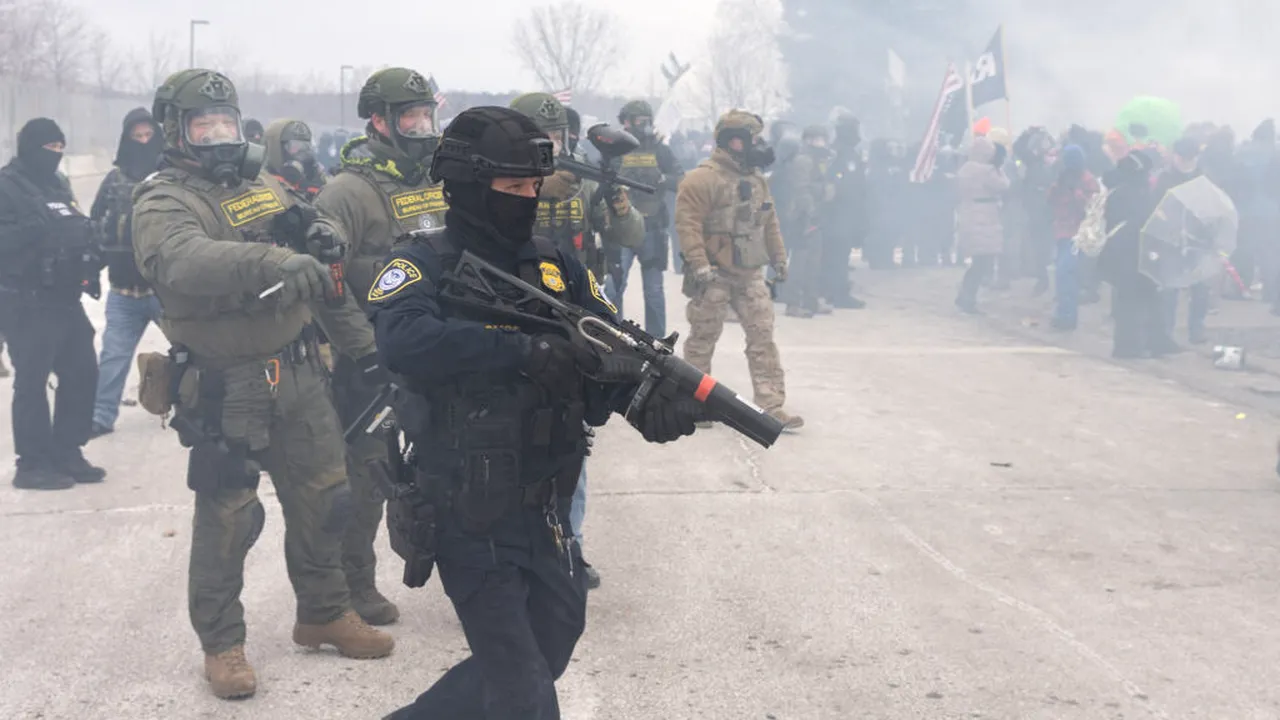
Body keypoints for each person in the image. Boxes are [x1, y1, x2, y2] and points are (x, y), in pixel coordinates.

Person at [371, 105, 701, 719]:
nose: (528, 198)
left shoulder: (554, 263)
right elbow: (401, 339)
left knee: (549, 643)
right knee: (524, 693)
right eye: (512, 187)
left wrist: (641, 401)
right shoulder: (423, 261)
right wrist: (519, 350)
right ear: (470, 186)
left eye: (533, 185)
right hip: (467, 506)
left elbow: (603, 349)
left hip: (546, 506)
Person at [131, 69, 394, 700]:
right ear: (177, 131)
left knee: (328, 499)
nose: (220, 136)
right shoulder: (162, 198)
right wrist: (275, 260)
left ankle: (323, 611)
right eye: (204, 126)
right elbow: (183, 259)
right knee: (229, 519)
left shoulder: (258, 182)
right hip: (229, 386)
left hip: (300, 373)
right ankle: (223, 645)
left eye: (227, 123)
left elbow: (297, 219)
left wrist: (314, 231)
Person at [314, 67, 446, 626]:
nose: (421, 127)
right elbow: (327, 281)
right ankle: (354, 584)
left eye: (426, 115)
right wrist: (367, 350)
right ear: (378, 121)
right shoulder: (348, 192)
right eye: (410, 117)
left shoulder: (433, 182)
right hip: (372, 359)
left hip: (434, 347)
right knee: (369, 475)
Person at [510, 91, 645, 591]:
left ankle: (569, 547)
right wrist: (541, 190)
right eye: (541, 138)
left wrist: (616, 200)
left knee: (571, 444)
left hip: (574, 329)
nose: (553, 146)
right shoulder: (501, 186)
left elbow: (631, 235)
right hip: (512, 324)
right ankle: (510, 558)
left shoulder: (581, 186)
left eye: (559, 137)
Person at [677, 109, 803, 432]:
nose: (758, 145)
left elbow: (769, 222)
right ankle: (694, 401)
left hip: (750, 273)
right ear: (733, 141)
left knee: (762, 337)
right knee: (703, 339)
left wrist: (779, 258)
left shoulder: (757, 180)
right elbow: (688, 226)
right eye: (752, 139)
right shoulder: (702, 179)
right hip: (714, 274)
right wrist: (700, 265)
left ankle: (771, 405)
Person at [0, 117, 103, 490]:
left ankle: (66, 451)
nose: (55, 156)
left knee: (82, 372)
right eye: (49, 149)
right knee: (32, 380)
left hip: (64, 297)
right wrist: (34, 227)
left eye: (61, 149)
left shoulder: (58, 184)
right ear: (29, 148)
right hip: (24, 300)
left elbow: (73, 226)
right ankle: (32, 463)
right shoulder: (6, 185)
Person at [87, 108, 165, 439]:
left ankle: (202, 410)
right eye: (137, 137)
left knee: (198, 351)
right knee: (113, 357)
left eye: (149, 136)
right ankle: (101, 417)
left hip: (166, 290)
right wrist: (90, 268)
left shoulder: (170, 177)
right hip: (123, 292)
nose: (144, 142)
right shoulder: (114, 180)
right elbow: (94, 225)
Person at [613, 99, 684, 338]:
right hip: (620, 229)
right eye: (638, 121)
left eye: (646, 121)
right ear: (626, 123)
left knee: (653, 291)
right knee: (613, 288)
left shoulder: (660, 150)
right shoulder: (615, 150)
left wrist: (664, 180)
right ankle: (613, 336)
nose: (643, 125)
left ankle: (656, 344)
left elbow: (680, 178)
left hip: (651, 228)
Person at [1098, 150, 1175, 358]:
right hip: (1134, 252)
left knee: (1136, 298)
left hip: (1122, 254)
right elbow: (1144, 221)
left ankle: (1150, 341)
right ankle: (1131, 346)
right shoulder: (1134, 193)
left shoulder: (1117, 191)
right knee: (1136, 299)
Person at [1154, 137, 1209, 342]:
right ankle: (1166, 331)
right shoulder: (1164, 179)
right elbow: (1156, 208)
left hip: (1198, 240)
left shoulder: (1203, 179)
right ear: (1175, 156)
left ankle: (1197, 328)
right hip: (1171, 240)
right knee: (1170, 287)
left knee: (1201, 286)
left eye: (1190, 158)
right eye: (1183, 158)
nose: (1186, 162)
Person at [775, 125, 832, 318]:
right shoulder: (804, 160)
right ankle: (793, 303)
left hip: (815, 215)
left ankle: (811, 299)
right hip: (802, 217)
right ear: (809, 140)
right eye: (819, 139)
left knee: (814, 261)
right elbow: (801, 190)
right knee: (800, 261)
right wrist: (811, 210)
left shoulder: (818, 159)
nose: (822, 142)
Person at [954, 137, 1011, 314]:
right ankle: (967, 297)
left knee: (979, 259)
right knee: (983, 261)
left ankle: (966, 294)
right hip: (986, 214)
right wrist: (999, 169)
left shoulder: (965, 169)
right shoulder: (987, 171)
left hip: (968, 210)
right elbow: (1004, 185)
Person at [1046, 144, 1100, 330]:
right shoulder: (1062, 177)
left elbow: (1093, 208)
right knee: (1062, 276)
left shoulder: (1088, 180)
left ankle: (1067, 316)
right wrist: (1057, 188)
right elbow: (1051, 202)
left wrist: (1078, 195)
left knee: (1065, 272)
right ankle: (1064, 314)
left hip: (1078, 233)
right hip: (1062, 230)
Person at [263, 118, 326, 200]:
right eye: (295, 147)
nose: (303, 154)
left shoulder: (314, 183)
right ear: (275, 149)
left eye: (306, 147)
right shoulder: (263, 185)